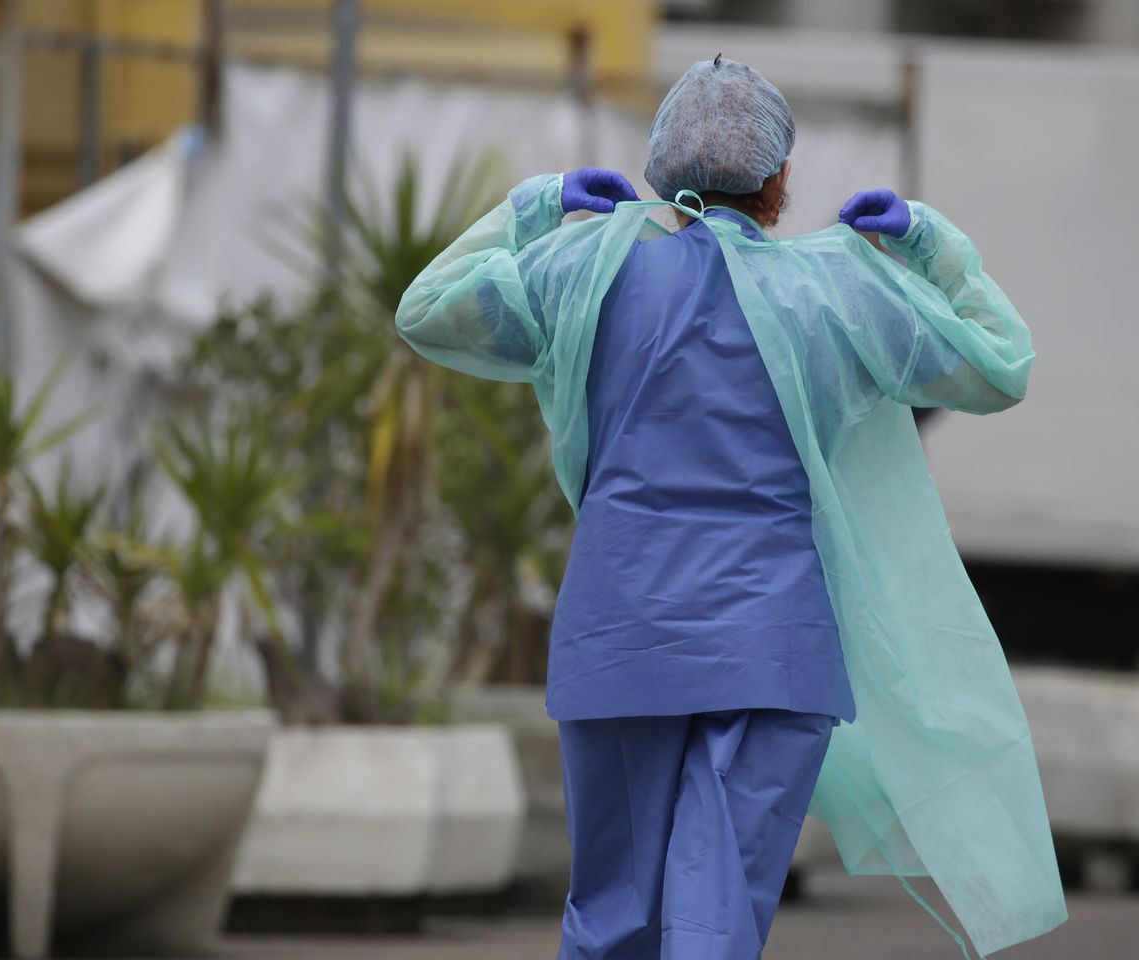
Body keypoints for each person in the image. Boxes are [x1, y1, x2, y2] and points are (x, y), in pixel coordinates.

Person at [398, 56, 1065, 960]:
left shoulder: (584, 276)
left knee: (610, 921)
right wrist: (928, 243)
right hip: (769, 653)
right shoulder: (837, 292)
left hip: (619, 640)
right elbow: (1000, 366)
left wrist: (537, 206)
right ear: (779, 180)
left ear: (657, 169)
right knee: (713, 925)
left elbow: (427, 309)